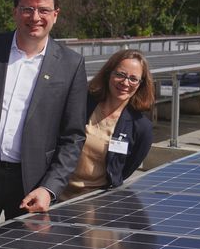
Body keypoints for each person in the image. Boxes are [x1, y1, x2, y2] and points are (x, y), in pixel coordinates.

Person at [0, 0, 87, 222]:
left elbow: (73, 137)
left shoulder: (71, 65)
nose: (35, 17)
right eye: (27, 9)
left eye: (43, 10)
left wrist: (49, 188)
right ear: (15, 12)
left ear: (55, 14)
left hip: (32, 183)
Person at [61, 49, 155, 200]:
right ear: (108, 73)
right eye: (120, 74)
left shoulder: (141, 128)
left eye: (133, 79)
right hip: (54, 193)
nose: (125, 83)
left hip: (94, 202)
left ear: (141, 84)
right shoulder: (81, 103)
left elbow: (124, 170)